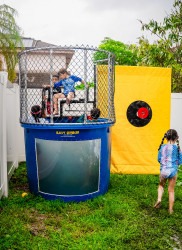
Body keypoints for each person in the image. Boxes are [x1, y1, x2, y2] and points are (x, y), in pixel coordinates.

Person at [154, 129, 182, 214]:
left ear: (166, 137)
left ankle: (159, 199)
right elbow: (180, 161)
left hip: (163, 171)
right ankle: (170, 210)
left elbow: (159, 159)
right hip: (173, 171)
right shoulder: (177, 148)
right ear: (176, 138)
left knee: (161, 186)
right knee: (171, 190)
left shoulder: (162, 147)